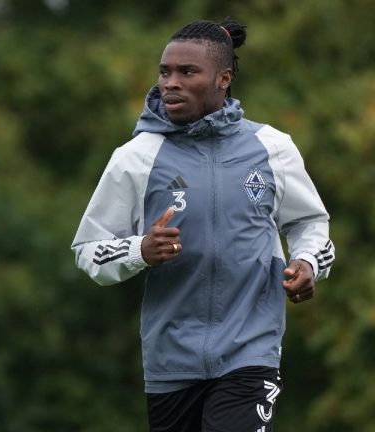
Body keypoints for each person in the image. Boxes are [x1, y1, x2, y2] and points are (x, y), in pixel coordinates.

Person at [71, 18, 334, 431]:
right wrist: (139, 251)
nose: (169, 83)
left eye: (187, 72)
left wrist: (307, 263)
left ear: (223, 79)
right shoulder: (137, 156)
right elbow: (88, 249)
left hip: (252, 350)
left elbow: (310, 222)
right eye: (165, 72)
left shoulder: (273, 148)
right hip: (170, 360)